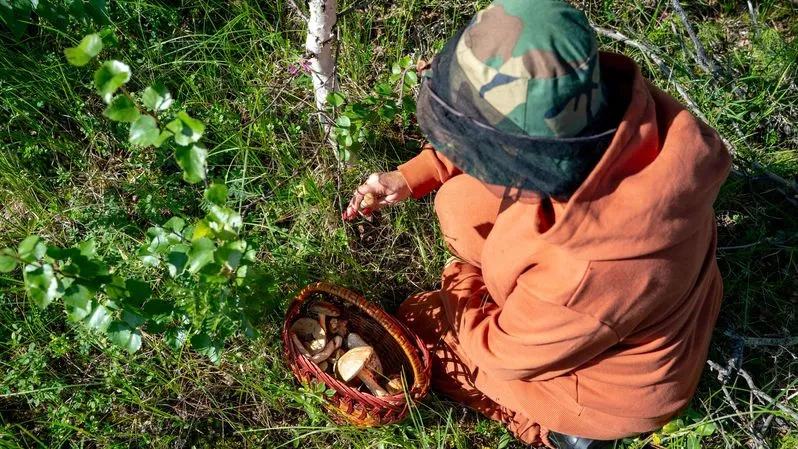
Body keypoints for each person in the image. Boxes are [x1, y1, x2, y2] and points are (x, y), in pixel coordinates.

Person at [343, 0, 731, 447]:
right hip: (609, 300)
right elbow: (510, 122)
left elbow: (500, 353)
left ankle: (555, 432)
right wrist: (414, 175)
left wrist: (459, 280)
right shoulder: (606, 107)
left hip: (614, 390)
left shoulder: (588, 273)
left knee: (422, 327)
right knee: (459, 205)